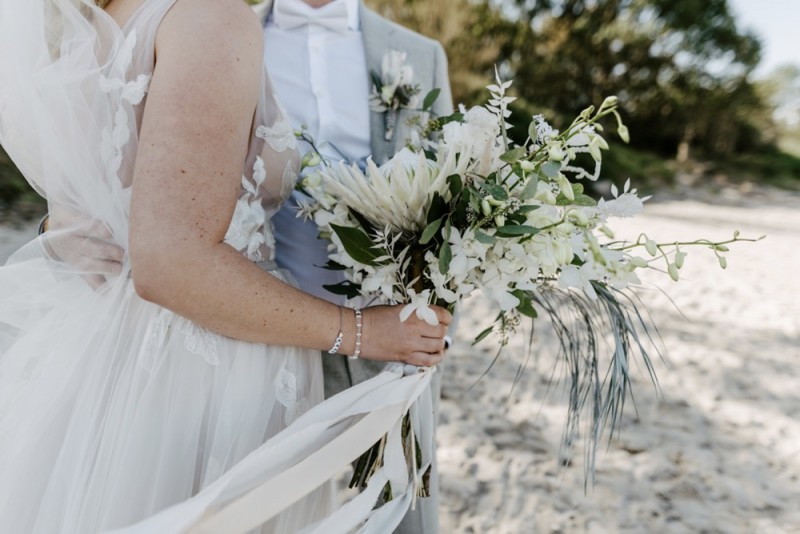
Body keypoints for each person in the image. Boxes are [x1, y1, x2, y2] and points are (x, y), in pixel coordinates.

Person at [0, 0, 450, 532]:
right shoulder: (212, 17)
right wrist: (357, 332)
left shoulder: (110, 20)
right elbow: (172, 260)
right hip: (207, 360)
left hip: (113, 351)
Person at [262, 1, 454, 531]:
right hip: (262, 336)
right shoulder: (227, 38)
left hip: (397, 338)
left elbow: (455, 198)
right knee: (269, 507)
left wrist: (438, 310)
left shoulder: (419, 55)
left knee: (404, 511)